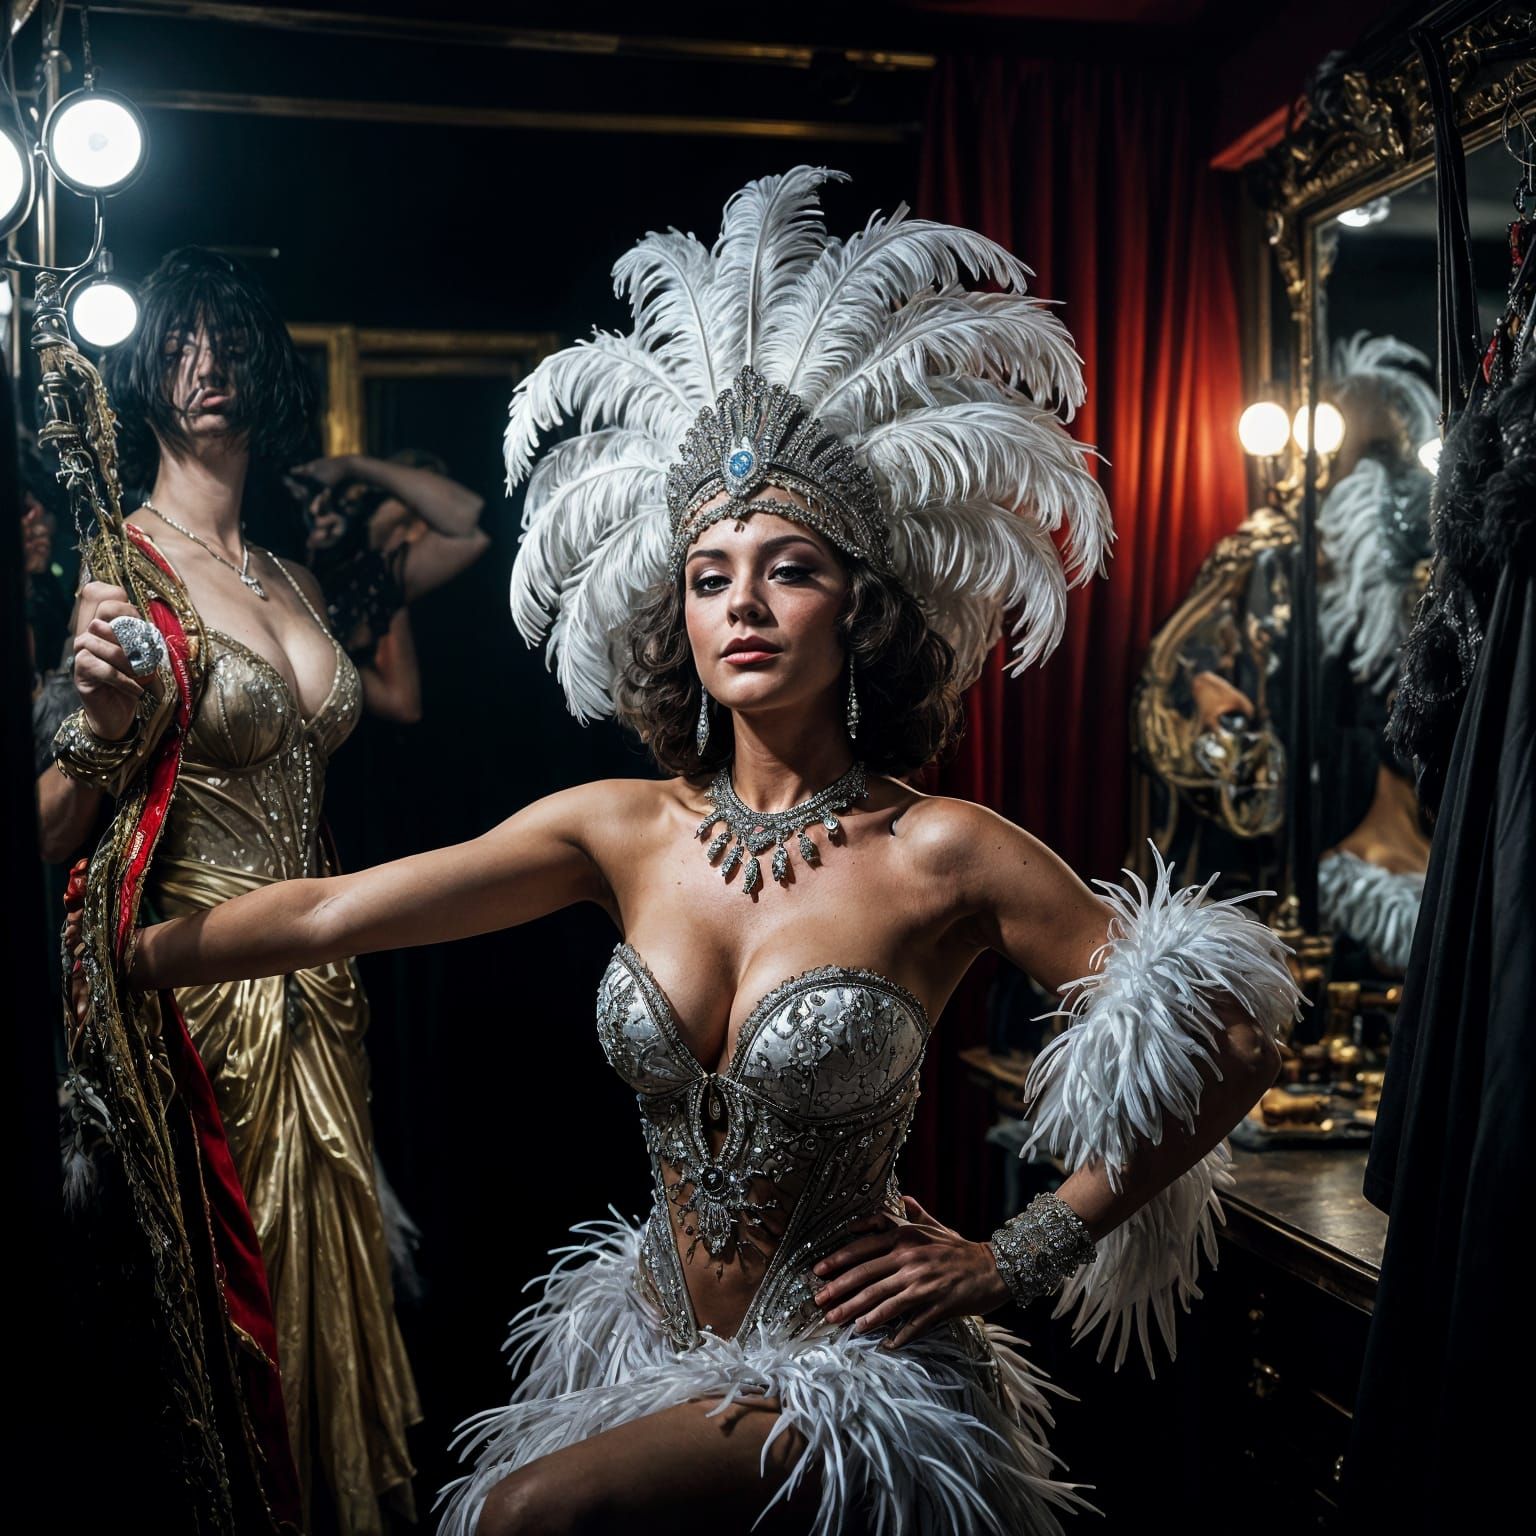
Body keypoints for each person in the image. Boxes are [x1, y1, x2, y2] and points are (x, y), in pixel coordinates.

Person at [106, 172, 1299, 1534]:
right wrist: (105, 958)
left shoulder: (943, 849)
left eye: (787, 568)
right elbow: (327, 915)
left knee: (518, 1519)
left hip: (851, 1381)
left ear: (860, 607)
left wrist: (1013, 1250)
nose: (743, 603)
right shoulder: (620, 827)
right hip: (648, 1356)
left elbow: (1234, 1036)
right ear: (675, 609)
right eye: (709, 574)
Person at [54, 246, 419, 1533]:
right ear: (144, 368)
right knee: (236, 1335)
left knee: (337, 1309)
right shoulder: (121, 571)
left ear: (263, 362)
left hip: (324, 990)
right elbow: (53, 834)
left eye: (225, 342)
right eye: (177, 343)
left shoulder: (293, 577)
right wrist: (95, 719)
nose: (204, 369)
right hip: (203, 1006)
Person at [294, 447, 490, 724]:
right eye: (414, 500)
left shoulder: (378, 584)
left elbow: (468, 518)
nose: (423, 522)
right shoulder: (308, 531)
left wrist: (353, 465)